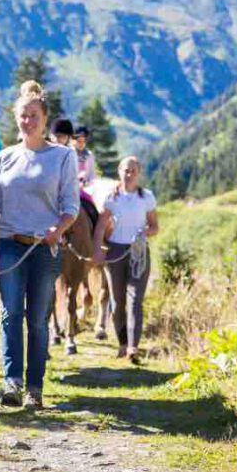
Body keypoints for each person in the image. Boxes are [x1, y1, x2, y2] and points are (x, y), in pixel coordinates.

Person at [0, 81, 79, 410]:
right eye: (23, 116)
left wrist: (59, 228)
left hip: (44, 248)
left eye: (34, 115)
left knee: (37, 319)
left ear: (44, 117)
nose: (28, 121)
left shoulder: (63, 157)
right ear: (16, 118)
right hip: (9, 245)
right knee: (10, 316)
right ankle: (11, 383)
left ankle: (34, 388)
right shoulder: (5, 158)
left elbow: (71, 205)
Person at [92, 156, 159, 366]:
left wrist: (143, 233)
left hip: (138, 253)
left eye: (133, 171)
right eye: (125, 170)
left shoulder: (146, 197)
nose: (129, 174)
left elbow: (155, 226)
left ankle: (133, 347)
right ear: (119, 172)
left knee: (135, 300)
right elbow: (101, 226)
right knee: (117, 300)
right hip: (115, 251)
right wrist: (97, 250)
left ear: (138, 173)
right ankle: (122, 343)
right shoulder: (111, 198)